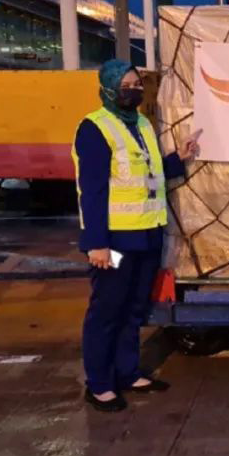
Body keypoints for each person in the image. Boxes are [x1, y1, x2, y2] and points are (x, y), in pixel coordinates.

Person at [73, 59, 201, 412]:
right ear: (109, 90)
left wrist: (179, 158)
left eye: (136, 84)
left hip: (147, 234)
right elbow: (92, 191)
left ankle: (127, 372)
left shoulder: (142, 124)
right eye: (126, 86)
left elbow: (151, 172)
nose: (134, 91)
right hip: (115, 240)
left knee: (134, 309)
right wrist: (96, 243)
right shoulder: (95, 129)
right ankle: (100, 384)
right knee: (107, 310)